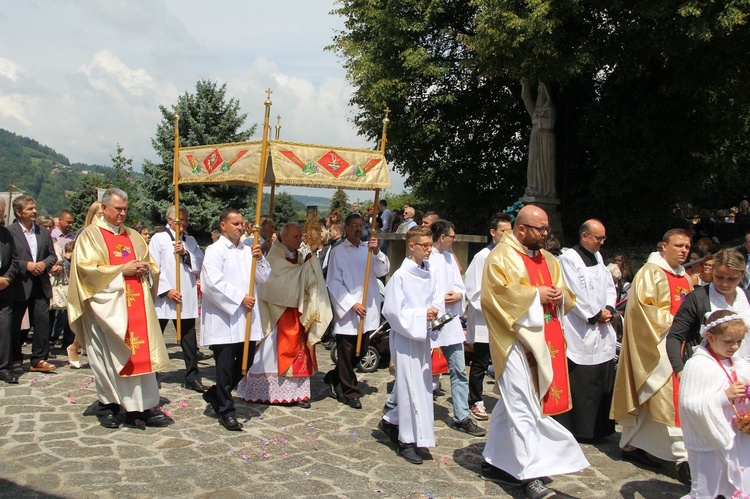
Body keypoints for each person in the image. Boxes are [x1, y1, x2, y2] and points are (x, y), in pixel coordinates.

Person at [480, 205, 588, 498]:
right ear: (521, 229)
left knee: (511, 405)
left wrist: (559, 295)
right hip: (513, 341)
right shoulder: (499, 257)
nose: (545, 234)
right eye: (540, 229)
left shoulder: (550, 260)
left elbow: (567, 295)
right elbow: (495, 298)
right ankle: (532, 475)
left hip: (546, 341)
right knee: (524, 406)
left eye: (546, 229)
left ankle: (493, 460)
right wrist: (534, 295)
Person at [67, 188, 173, 429]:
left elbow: (152, 265)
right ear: (104, 208)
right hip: (106, 310)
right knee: (107, 358)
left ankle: (143, 407)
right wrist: (120, 271)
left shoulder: (134, 236)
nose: (123, 214)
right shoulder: (90, 236)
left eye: (125, 209)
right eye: (118, 209)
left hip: (136, 308)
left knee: (139, 357)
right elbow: (86, 271)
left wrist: (147, 269)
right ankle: (110, 406)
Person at [611, 228, 693, 482]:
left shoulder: (686, 277)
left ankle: (633, 444)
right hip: (657, 348)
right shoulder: (650, 272)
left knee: (656, 400)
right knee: (665, 398)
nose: (684, 251)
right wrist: (678, 326)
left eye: (687, 247)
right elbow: (642, 312)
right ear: (663, 247)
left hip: (680, 347)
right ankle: (682, 458)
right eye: (679, 245)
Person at [237, 222, 332, 408]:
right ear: (284, 237)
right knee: (271, 352)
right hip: (277, 314)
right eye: (295, 237)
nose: (299, 240)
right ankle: (267, 391)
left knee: (299, 350)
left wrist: (308, 264)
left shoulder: (299, 256)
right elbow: (274, 282)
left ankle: (296, 393)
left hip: (295, 310)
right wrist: (305, 270)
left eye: (300, 237)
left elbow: (301, 277)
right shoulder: (274, 256)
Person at [199, 209, 270, 431]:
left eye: (242, 224)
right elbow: (212, 282)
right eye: (235, 224)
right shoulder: (214, 250)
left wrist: (259, 259)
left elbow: (264, 277)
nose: (240, 227)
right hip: (225, 317)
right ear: (223, 226)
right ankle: (226, 411)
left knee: (244, 364)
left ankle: (216, 393)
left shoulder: (248, 250)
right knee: (225, 365)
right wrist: (240, 298)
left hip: (246, 317)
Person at [378, 226, 443, 464]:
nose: (429, 249)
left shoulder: (431, 273)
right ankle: (406, 441)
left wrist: (435, 313)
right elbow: (393, 311)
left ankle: (393, 424)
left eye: (430, 244)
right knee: (407, 387)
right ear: (411, 246)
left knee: (423, 388)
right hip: (406, 338)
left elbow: (437, 298)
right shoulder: (400, 276)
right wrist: (421, 315)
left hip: (423, 337)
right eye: (424, 245)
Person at [554, 220, 617, 442]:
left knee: (602, 378)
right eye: (598, 238)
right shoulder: (567, 260)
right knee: (583, 382)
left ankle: (600, 427)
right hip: (581, 327)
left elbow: (609, 285)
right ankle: (581, 428)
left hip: (602, 325)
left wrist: (609, 308)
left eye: (603, 238)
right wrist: (594, 314)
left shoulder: (598, 257)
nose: (601, 242)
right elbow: (573, 293)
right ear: (584, 236)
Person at [679, 309, 750, 498]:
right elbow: (690, 405)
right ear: (710, 337)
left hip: (737, 437)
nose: (734, 347)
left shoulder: (739, 363)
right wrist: (724, 397)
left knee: (738, 486)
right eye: (728, 341)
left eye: (739, 342)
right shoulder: (698, 365)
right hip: (708, 439)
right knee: (707, 490)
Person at [426, 219, 484, 436]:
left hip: (450, 323)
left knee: (459, 369)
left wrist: (459, 295)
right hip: (431, 321)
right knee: (419, 368)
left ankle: (462, 416)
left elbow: (460, 284)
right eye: (452, 236)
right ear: (442, 237)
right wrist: (439, 299)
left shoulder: (450, 258)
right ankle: (395, 404)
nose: (455, 239)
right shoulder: (427, 257)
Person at [324, 213, 389, 409]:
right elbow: (333, 282)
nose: (358, 229)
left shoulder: (367, 249)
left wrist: (377, 252)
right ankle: (350, 392)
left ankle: (333, 377)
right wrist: (351, 303)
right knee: (346, 352)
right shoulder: (338, 252)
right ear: (346, 228)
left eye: (361, 225)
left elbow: (382, 271)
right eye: (354, 225)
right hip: (350, 310)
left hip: (367, 307)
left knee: (360, 353)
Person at [148, 205, 207, 393]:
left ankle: (192, 375)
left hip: (185, 297)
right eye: (181, 220)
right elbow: (153, 267)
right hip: (164, 298)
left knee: (189, 340)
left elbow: (200, 263)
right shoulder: (159, 239)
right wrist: (166, 290)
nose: (184, 224)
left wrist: (185, 254)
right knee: (157, 337)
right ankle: (152, 375)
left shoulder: (190, 241)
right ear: (170, 220)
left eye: (186, 220)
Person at [667, 248, 750, 375]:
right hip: (708, 373)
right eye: (719, 277)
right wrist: (679, 370)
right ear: (712, 272)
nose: (724, 283)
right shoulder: (698, 298)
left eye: (732, 279)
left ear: (742, 275)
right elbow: (675, 336)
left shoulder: (747, 297)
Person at [465, 212, 512, 420]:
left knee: (508, 361)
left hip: (506, 319)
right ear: (493, 232)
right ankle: (475, 400)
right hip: (487, 319)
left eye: (510, 231)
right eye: (504, 231)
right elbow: (473, 291)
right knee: (481, 362)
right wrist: (493, 309)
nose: (508, 235)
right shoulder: (482, 257)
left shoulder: (511, 256)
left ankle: (509, 399)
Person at [8, 195, 58, 373]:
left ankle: (39, 359)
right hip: (19, 284)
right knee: (14, 325)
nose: (34, 211)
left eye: (34, 208)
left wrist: (44, 264)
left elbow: (52, 255)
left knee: (42, 322)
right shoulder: (10, 231)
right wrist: (25, 265)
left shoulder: (43, 232)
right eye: (29, 209)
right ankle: (14, 358)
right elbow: (9, 258)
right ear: (18, 212)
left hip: (40, 284)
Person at [0, 199, 19, 384]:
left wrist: (7, 278)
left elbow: (14, 259)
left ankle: (4, 366)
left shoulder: (5, 234)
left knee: (4, 328)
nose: (2, 217)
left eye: (2, 214)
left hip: (4, 289)